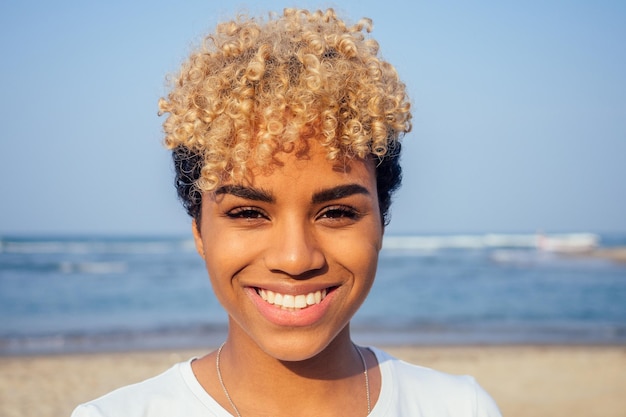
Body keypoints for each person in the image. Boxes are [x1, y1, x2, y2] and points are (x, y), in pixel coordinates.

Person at [72, 8, 501, 417]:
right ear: (199, 231)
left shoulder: (461, 408)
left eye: (336, 212)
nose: (295, 259)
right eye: (247, 213)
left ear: (381, 222)